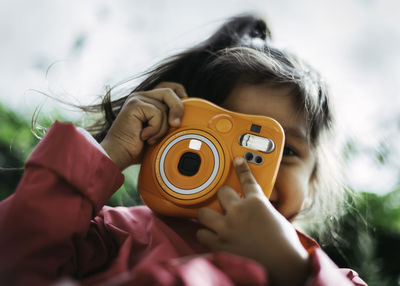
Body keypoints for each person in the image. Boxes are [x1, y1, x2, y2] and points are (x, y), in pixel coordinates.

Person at [0, 14, 367, 285]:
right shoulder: (117, 234)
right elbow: (14, 256)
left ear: (314, 182)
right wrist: (109, 154)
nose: (248, 168)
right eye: (226, 142)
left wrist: (291, 265)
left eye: (284, 152)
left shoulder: (325, 275)